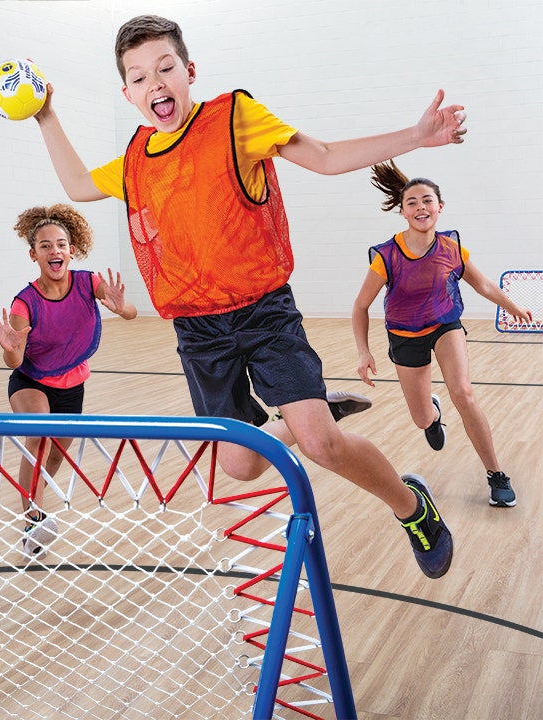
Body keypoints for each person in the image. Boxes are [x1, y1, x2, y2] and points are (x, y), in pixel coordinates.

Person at [30, 15, 469, 578]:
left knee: (322, 446)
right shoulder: (137, 162)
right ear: (127, 94)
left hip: (263, 312)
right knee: (238, 465)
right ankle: (305, 408)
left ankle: (413, 508)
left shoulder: (236, 118)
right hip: (198, 330)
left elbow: (326, 155)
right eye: (139, 78)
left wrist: (417, 136)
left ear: (189, 72)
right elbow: (76, 186)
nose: (155, 83)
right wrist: (45, 114)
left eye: (166, 69)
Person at [352, 160, 532, 507]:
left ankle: (496, 475)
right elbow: (360, 307)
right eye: (413, 202)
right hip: (404, 335)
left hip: (445, 325)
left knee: (463, 393)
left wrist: (512, 307)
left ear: (440, 207)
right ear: (402, 212)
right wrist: (363, 351)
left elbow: (483, 285)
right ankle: (432, 416)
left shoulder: (452, 249)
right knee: (420, 418)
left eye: (427, 200)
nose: (421, 207)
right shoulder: (387, 256)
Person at [0, 204, 137, 560]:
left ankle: (35, 496)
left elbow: (127, 312)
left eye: (61, 244)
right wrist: (10, 349)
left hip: (73, 385)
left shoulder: (89, 283)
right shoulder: (24, 303)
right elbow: (15, 359)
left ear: (72, 250)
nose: (55, 250)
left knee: (55, 456)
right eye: (46, 245)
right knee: (37, 435)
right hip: (31, 380)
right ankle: (32, 519)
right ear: (33, 254)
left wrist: (122, 307)